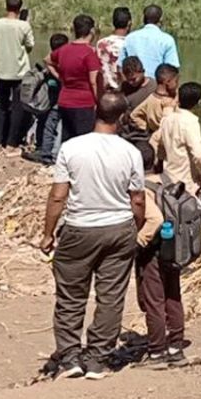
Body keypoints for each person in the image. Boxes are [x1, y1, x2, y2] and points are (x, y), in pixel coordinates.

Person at [40, 92, 145, 380]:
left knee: (71, 296)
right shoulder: (130, 152)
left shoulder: (72, 147)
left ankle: (70, 356)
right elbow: (137, 198)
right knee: (111, 296)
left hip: (79, 228)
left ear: (95, 112)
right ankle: (98, 359)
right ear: (123, 117)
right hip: (119, 227)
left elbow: (58, 196)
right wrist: (134, 226)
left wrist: (48, 233)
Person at [133, 139, 188, 368]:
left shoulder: (143, 188)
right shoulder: (167, 182)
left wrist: (138, 242)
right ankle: (176, 345)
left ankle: (157, 351)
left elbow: (155, 219)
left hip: (153, 250)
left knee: (154, 300)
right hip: (173, 248)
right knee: (172, 295)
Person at [0, 0, 36, 157]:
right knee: (18, 108)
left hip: (1, 72)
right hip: (19, 74)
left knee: (1, 107)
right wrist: (27, 23)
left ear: (6, 6)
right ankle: (11, 144)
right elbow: (29, 47)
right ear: (20, 8)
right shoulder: (24, 27)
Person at [49, 15, 102, 141]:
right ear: (92, 31)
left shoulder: (64, 49)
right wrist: (99, 102)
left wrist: (60, 77)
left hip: (65, 99)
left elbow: (48, 60)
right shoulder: (90, 52)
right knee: (84, 140)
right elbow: (93, 81)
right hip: (84, 102)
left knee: (67, 139)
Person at [156, 82, 201, 198]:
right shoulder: (190, 122)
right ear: (198, 103)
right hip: (185, 184)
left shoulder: (167, 118)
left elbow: (160, 146)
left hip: (167, 178)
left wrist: (159, 166)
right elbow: (199, 154)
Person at [36, 33, 70, 165]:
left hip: (50, 100)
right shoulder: (63, 60)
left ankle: (45, 152)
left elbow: (46, 59)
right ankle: (54, 154)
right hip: (60, 100)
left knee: (48, 126)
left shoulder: (54, 61)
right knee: (58, 127)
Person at [122, 5, 180, 79]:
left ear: (143, 19)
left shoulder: (129, 38)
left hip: (133, 84)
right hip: (156, 86)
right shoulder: (167, 40)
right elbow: (172, 70)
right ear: (160, 20)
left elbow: (120, 66)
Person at [130, 63, 179, 137]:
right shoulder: (167, 103)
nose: (177, 84)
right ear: (167, 82)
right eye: (176, 81)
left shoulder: (150, 99)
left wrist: (146, 127)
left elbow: (134, 115)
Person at [96, 7, 132, 92]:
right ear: (129, 23)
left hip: (104, 90)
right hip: (123, 91)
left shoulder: (101, 43)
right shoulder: (130, 43)